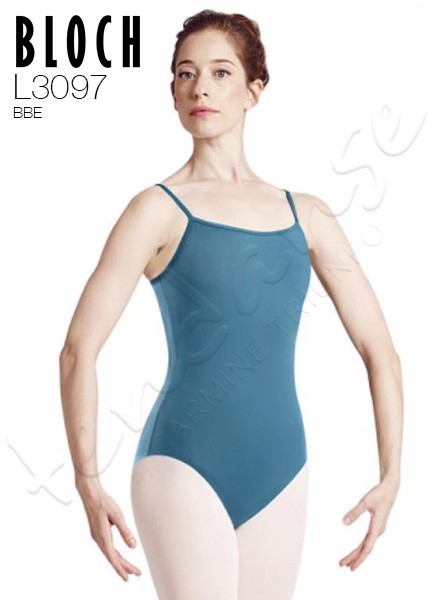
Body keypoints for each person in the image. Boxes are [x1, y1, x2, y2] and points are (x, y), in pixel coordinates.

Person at [59, 9, 403, 600]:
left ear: (254, 91)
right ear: (172, 93)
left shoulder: (309, 215)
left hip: (282, 470)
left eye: (221, 73)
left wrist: (392, 475)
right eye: (186, 73)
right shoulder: (155, 210)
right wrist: (87, 479)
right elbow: (77, 351)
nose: (201, 88)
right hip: (182, 464)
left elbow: (381, 351)